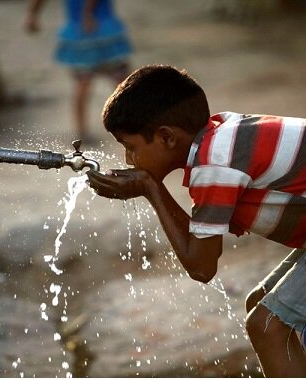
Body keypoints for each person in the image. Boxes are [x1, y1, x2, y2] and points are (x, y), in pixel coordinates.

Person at [86, 64, 306, 376]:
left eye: (131, 148)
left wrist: (151, 188)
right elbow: (200, 248)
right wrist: (152, 188)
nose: (127, 160)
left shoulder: (215, 163)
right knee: (260, 303)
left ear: (166, 137)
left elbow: (202, 267)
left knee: (267, 326)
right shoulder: (219, 139)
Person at [25, 0, 133, 144]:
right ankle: (132, 124)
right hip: (100, 29)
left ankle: (83, 131)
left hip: (82, 31)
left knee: (87, 82)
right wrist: (87, 14)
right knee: (121, 82)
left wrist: (32, 15)